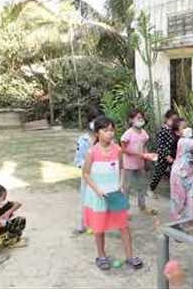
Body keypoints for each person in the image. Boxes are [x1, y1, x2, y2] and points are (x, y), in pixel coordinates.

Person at [82, 116, 143, 270]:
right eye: (105, 130)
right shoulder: (92, 152)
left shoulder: (117, 149)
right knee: (99, 228)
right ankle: (101, 256)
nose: (110, 133)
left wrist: (121, 184)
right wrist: (98, 191)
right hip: (99, 197)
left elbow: (122, 168)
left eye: (111, 130)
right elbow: (86, 174)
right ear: (97, 133)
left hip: (115, 194)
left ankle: (130, 257)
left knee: (123, 226)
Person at [121, 109, 156, 215]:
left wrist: (147, 158)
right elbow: (123, 149)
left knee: (142, 185)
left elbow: (144, 146)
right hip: (128, 165)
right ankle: (124, 211)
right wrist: (140, 155)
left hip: (140, 164)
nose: (140, 120)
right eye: (138, 118)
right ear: (131, 120)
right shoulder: (128, 134)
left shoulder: (144, 133)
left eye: (141, 117)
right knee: (126, 188)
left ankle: (142, 206)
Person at [73, 107, 101, 235]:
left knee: (100, 199)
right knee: (85, 199)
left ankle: (99, 223)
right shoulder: (82, 140)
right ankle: (82, 225)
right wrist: (88, 167)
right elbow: (78, 160)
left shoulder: (105, 138)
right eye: (93, 120)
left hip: (102, 175)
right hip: (87, 174)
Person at [149, 110, 179, 198]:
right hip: (163, 155)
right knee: (158, 173)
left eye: (175, 120)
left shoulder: (174, 130)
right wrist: (166, 156)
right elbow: (161, 145)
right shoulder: (163, 130)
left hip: (173, 155)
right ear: (166, 119)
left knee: (176, 174)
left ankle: (177, 192)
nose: (173, 122)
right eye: (172, 119)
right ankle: (151, 189)